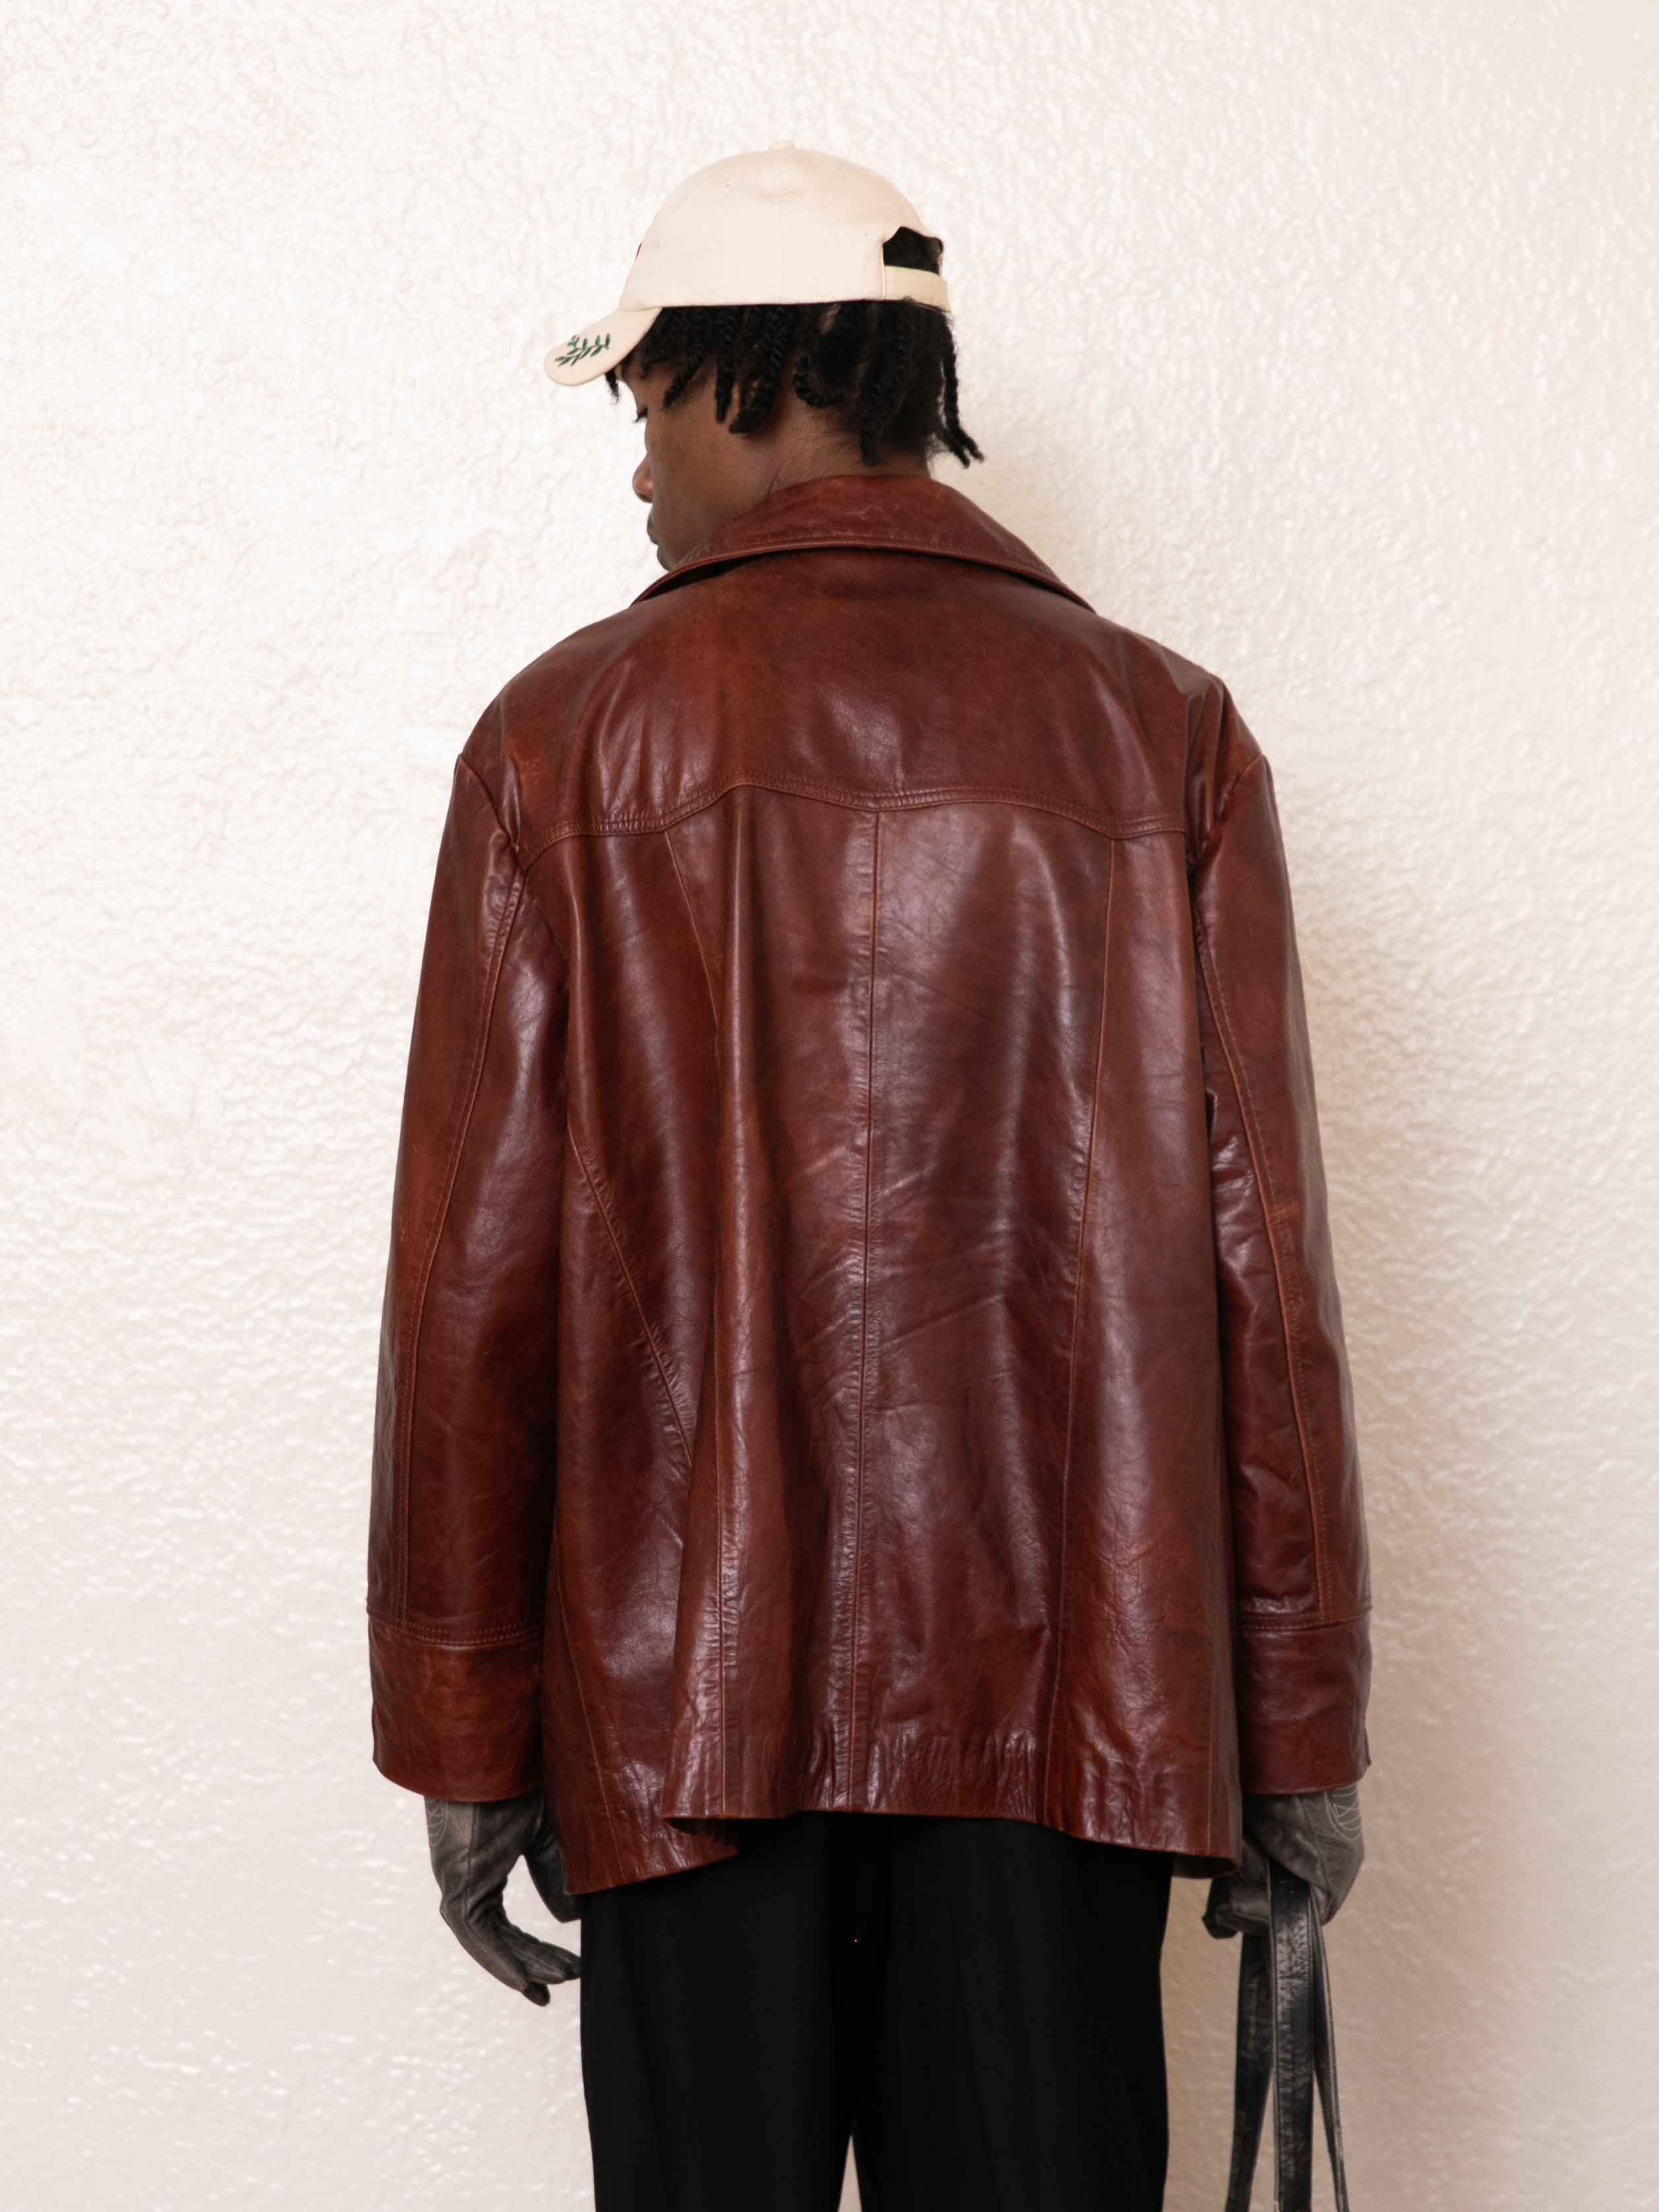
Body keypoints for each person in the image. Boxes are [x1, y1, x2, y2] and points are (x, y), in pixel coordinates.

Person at [367, 146, 1371, 2212]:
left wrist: (469, 1731)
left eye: (646, 401)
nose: (636, 462)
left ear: (748, 381)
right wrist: (1294, 1723)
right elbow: (1261, 1274)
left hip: (675, 1719)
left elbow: (479, 1285)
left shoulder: (562, 742)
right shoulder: (1160, 737)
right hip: (1072, 1711)